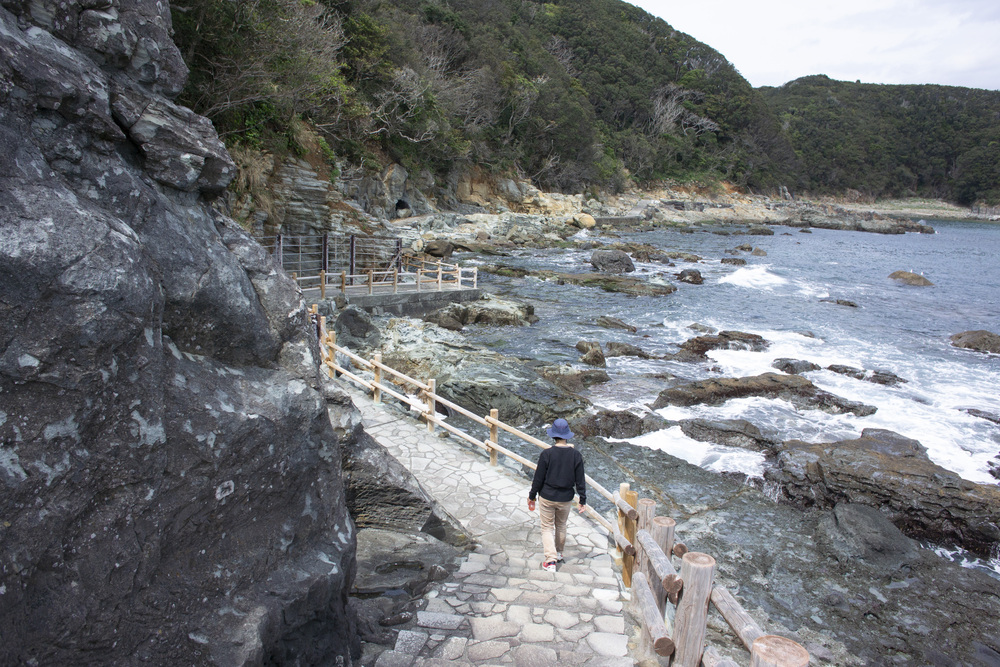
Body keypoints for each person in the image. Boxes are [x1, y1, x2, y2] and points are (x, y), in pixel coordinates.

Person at [527, 418, 586, 572]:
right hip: (566, 498)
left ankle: (550, 560)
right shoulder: (576, 455)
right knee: (561, 525)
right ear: (567, 436)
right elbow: (580, 480)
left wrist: (532, 496)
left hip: (547, 496)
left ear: (553, 435)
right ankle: (559, 554)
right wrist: (582, 499)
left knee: (547, 528)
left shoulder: (547, 454)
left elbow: (538, 478)